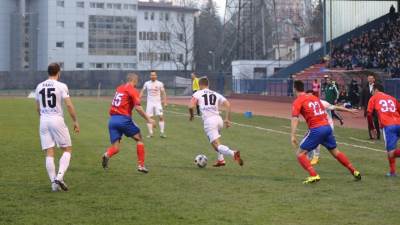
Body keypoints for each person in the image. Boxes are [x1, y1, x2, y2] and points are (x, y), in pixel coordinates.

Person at [291, 80, 361, 184]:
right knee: (335, 152)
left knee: (300, 153)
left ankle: (314, 175)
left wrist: (293, 135)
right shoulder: (315, 98)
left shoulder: (298, 101)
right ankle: (354, 171)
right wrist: (350, 110)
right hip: (327, 127)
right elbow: (332, 107)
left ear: (294, 89)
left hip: (316, 129)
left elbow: (295, 118)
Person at [35, 63, 80, 192]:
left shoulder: (39, 86)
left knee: (49, 152)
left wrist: (43, 118)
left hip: (43, 120)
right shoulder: (61, 86)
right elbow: (69, 105)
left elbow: (38, 108)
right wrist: (75, 121)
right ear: (58, 72)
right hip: (56, 119)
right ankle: (59, 177)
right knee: (67, 149)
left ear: (48, 72)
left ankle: (53, 184)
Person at [102, 73, 154, 173]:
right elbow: (138, 108)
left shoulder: (119, 88)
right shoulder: (132, 90)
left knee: (116, 148)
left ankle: (106, 155)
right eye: (137, 81)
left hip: (112, 120)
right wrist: (149, 119)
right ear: (135, 80)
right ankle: (141, 165)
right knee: (139, 139)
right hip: (123, 119)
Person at [188, 77, 243, 167]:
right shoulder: (216, 94)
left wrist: (191, 115)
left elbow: (190, 106)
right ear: (208, 85)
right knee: (214, 142)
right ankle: (221, 160)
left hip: (209, 121)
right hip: (218, 119)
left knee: (216, 144)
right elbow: (228, 104)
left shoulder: (197, 93)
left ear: (200, 85)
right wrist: (227, 119)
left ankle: (233, 153)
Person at [305, 90, 359, 165]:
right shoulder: (308, 104)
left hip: (327, 126)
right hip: (319, 126)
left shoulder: (323, 103)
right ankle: (311, 156)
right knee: (317, 140)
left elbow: (336, 108)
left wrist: (349, 110)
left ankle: (315, 157)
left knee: (316, 140)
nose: (308, 97)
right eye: (307, 96)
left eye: (309, 95)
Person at [367, 84, 400, 177]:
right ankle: (392, 172)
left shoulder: (374, 98)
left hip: (388, 126)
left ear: (375, 90)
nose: (371, 93)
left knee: (391, 153)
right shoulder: (392, 98)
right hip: (398, 123)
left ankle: (393, 171)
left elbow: (369, 114)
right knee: (392, 150)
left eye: (372, 91)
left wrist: (372, 128)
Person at [140, 70, 168, 138]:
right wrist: (139, 98)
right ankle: (150, 133)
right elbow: (142, 91)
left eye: (154, 75)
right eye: (152, 75)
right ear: (150, 76)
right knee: (149, 118)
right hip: (150, 103)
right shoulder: (147, 83)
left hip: (158, 103)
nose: (153, 76)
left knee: (161, 117)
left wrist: (165, 102)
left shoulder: (160, 83)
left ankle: (162, 132)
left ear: (156, 76)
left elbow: (163, 93)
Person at [361, 74, 380, 139]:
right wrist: (361, 105)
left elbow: (382, 95)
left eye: (371, 78)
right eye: (369, 78)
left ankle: (378, 135)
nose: (370, 79)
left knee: (376, 121)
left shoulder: (378, 86)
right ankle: (371, 136)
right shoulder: (365, 87)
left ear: (374, 79)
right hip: (368, 106)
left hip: (376, 106)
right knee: (369, 121)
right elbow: (362, 96)